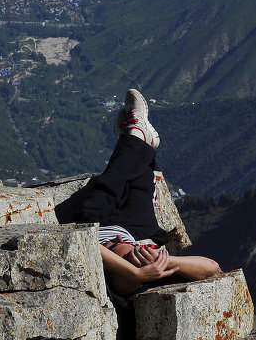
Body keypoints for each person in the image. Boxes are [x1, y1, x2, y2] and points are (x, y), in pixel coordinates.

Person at [82, 88, 220, 295]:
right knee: (141, 183)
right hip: (137, 234)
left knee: (111, 181)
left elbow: (87, 242)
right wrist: (162, 261)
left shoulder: (124, 283)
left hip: (96, 225)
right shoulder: (157, 266)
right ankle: (136, 137)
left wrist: (137, 274)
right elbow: (212, 267)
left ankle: (135, 137)